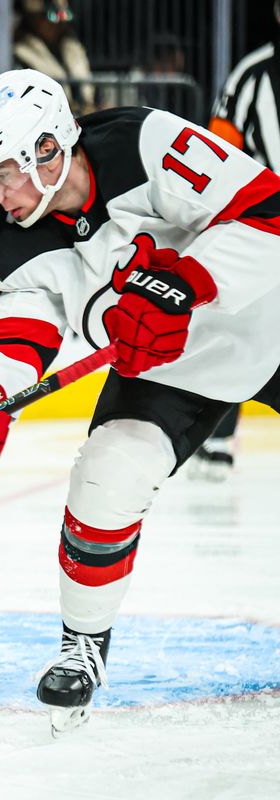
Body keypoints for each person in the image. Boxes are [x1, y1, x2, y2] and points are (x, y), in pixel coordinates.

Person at [0, 68, 280, 734]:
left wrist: (188, 283)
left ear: (47, 150)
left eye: (2, 173)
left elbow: (268, 209)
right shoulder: (3, 243)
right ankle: (84, 645)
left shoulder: (147, 143)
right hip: (167, 369)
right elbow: (16, 329)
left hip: (269, 315)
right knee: (107, 474)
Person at [197, 2, 280, 480]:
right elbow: (220, 149)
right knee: (240, 327)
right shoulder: (251, 75)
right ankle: (220, 437)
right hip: (266, 230)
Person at [13, 0, 95, 114]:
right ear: (33, 19)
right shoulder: (20, 52)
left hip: (82, 117)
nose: (58, 23)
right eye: (51, 16)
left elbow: (90, 87)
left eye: (63, 16)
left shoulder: (71, 46)